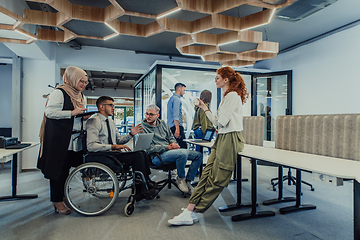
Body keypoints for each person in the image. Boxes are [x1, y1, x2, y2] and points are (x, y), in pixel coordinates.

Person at [168, 66, 248, 226]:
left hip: (230, 138)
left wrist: (204, 108)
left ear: (226, 79)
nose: (215, 80)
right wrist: (206, 109)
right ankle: (190, 210)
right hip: (223, 137)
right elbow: (221, 122)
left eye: (217, 78)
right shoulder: (228, 96)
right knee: (206, 175)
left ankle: (194, 211)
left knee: (218, 179)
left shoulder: (232, 96)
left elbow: (219, 122)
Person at [38, 66, 90, 215]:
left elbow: (78, 114)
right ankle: (57, 201)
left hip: (74, 139)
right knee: (58, 172)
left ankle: (63, 196)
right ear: (72, 78)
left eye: (85, 82)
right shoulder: (59, 93)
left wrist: (83, 116)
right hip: (59, 140)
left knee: (67, 171)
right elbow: (49, 112)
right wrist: (72, 112)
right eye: (81, 81)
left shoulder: (81, 95)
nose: (83, 84)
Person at [86, 96, 158, 202]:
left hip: (113, 154)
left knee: (142, 152)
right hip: (103, 156)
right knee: (137, 156)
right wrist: (114, 146)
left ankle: (146, 181)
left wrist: (130, 134)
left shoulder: (111, 122)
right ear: (101, 107)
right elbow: (91, 146)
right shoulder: (93, 121)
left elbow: (119, 140)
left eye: (113, 105)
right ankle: (141, 188)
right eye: (111, 105)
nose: (113, 108)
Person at [142, 104, 203, 194]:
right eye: (147, 114)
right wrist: (168, 147)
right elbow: (149, 148)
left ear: (157, 115)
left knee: (198, 155)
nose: (148, 116)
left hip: (170, 151)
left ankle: (188, 181)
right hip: (157, 156)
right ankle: (181, 178)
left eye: (151, 114)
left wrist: (173, 143)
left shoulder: (162, 123)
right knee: (182, 154)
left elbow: (171, 136)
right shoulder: (142, 128)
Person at [167, 83, 187, 149]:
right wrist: (177, 129)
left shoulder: (171, 99)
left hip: (171, 127)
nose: (184, 92)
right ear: (179, 89)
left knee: (175, 148)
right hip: (175, 127)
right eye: (183, 90)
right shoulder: (177, 99)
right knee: (183, 147)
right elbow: (176, 115)